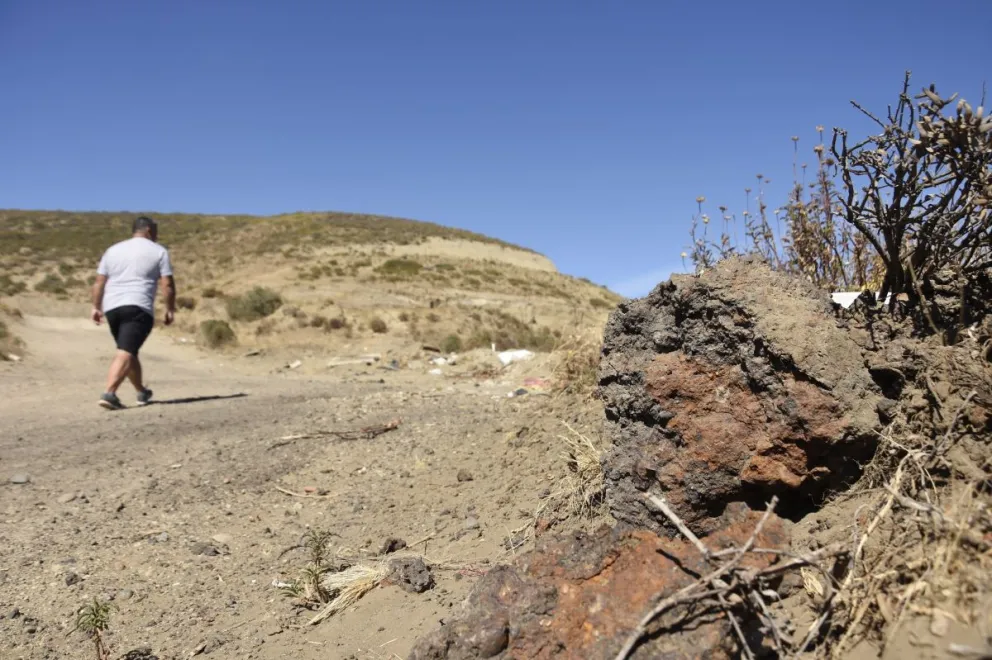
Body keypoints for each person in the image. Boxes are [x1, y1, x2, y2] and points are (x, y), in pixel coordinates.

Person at [90, 216, 176, 410]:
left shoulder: (113, 250)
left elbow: (99, 282)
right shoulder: (159, 251)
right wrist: (169, 308)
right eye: (154, 230)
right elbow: (167, 284)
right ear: (147, 230)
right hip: (138, 306)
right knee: (125, 351)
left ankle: (141, 391)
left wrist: (96, 306)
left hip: (112, 308)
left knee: (129, 350)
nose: (156, 234)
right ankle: (109, 393)